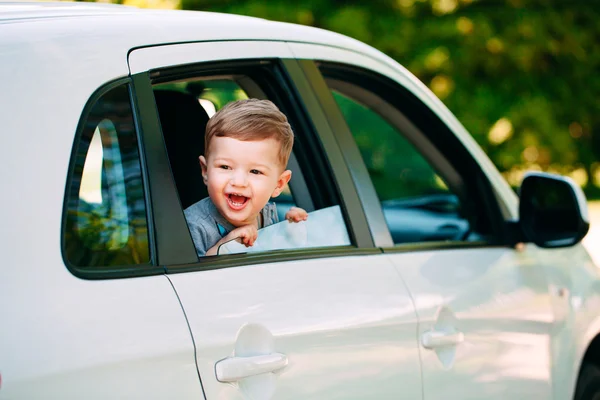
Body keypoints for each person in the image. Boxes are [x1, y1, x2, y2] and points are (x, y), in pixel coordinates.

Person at [184, 99, 308, 257]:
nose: (239, 182)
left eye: (255, 171)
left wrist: (292, 237)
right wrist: (224, 248)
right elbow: (190, 279)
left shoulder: (269, 216)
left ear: (279, 184)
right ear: (205, 171)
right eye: (225, 167)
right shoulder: (193, 226)